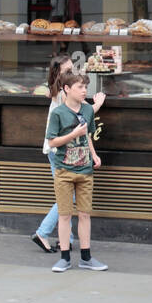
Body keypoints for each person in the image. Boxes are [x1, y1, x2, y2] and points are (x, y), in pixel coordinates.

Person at [32, 54, 104, 253]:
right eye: (68, 71)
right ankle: (43, 232)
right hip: (60, 150)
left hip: (58, 150)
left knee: (67, 195)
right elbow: (82, 115)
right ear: (60, 75)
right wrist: (97, 104)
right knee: (68, 197)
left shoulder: (55, 91)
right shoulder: (63, 94)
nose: (72, 74)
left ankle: (68, 240)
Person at [46, 72, 107, 272]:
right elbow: (52, 142)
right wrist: (73, 133)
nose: (84, 91)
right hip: (64, 169)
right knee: (64, 215)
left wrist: (94, 155)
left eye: (85, 87)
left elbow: (88, 135)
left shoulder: (88, 110)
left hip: (85, 169)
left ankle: (86, 257)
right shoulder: (58, 113)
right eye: (80, 87)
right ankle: (64, 257)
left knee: (84, 214)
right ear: (67, 89)